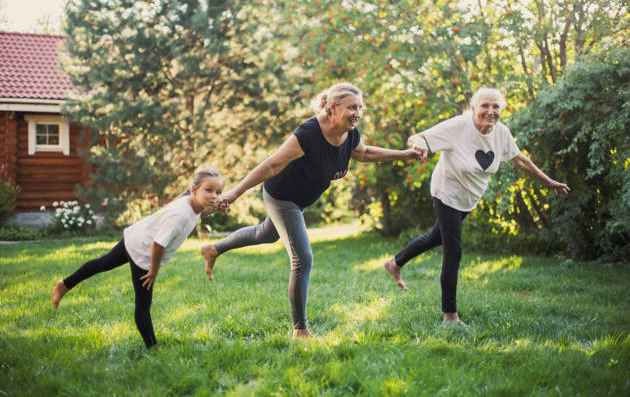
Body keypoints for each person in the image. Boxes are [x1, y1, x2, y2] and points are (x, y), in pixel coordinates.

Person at [200, 82, 422, 338]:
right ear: (331, 107)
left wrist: (405, 155)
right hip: (283, 196)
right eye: (352, 107)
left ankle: (213, 249)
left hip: (303, 198)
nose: (358, 113)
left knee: (265, 233)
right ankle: (300, 331)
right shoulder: (308, 134)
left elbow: (364, 153)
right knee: (302, 258)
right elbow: (272, 165)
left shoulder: (350, 133)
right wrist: (234, 194)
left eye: (360, 107)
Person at [384, 88, 570, 324]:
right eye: (485, 106)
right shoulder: (457, 127)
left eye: (496, 107)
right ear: (473, 108)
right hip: (446, 192)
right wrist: (419, 145)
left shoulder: (501, 133)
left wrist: (548, 182)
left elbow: (520, 160)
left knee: (435, 237)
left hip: (468, 198)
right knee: (454, 249)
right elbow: (418, 137)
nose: (490, 111)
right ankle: (450, 315)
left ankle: (394, 263)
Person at [51, 167, 224, 348]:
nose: (214, 196)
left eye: (218, 192)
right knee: (143, 304)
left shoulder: (192, 205)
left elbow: (197, 213)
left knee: (103, 263)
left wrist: (215, 208)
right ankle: (153, 347)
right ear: (194, 189)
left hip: (136, 236)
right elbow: (159, 244)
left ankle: (65, 284)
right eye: (209, 190)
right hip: (143, 251)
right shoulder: (179, 214)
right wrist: (153, 271)